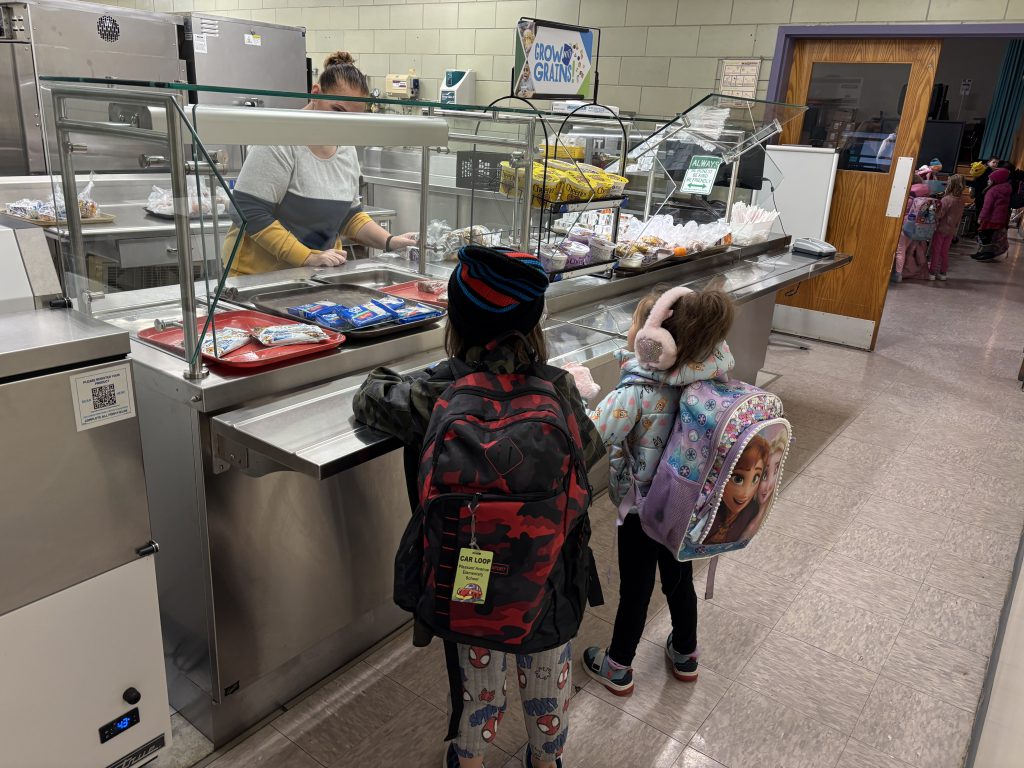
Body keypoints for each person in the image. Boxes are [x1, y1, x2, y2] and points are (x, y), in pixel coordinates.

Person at [352, 246, 604, 768]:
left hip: (472, 586)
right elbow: (593, 452)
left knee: (480, 690)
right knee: (547, 685)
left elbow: (370, 397)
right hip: (549, 581)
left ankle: (467, 758)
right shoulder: (557, 390)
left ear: (455, 321)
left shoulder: (436, 393)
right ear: (534, 325)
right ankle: (546, 757)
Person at [575, 286, 736, 696]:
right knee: (679, 579)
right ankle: (685, 652)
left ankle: (618, 665)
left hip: (640, 508)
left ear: (655, 342)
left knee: (636, 587)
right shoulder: (710, 380)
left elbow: (591, 435)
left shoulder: (638, 391)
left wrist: (583, 395)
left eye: (637, 324)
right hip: (686, 505)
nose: (631, 329)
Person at [225, 52, 417, 276]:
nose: (343, 125)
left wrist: (391, 241)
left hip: (316, 275)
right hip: (259, 277)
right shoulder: (280, 140)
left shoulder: (346, 151)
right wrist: (306, 256)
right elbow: (248, 210)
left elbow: (349, 216)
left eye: (354, 119)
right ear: (315, 93)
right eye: (337, 110)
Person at [703, 435, 769, 545]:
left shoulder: (751, 511)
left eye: (756, 478)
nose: (745, 493)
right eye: (738, 479)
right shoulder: (707, 508)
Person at [893, 182, 934, 282]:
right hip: (916, 228)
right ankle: (907, 271)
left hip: (905, 227)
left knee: (900, 250)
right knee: (909, 250)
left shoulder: (909, 200)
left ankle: (898, 274)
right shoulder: (926, 201)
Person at [931, 174, 965, 281]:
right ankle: (943, 272)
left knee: (936, 250)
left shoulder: (946, 199)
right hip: (952, 230)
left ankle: (932, 272)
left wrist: (934, 209)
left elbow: (940, 214)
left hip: (941, 228)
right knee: (944, 251)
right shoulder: (961, 200)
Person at [974, 166, 1012, 261]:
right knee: (991, 237)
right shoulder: (1006, 189)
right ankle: (983, 253)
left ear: (996, 180)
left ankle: (986, 253)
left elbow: (987, 207)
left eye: (990, 179)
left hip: (990, 218)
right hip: (999, 219)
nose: (988, 181)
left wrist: (981, 217)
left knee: (984, 236)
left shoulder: (992, 191)